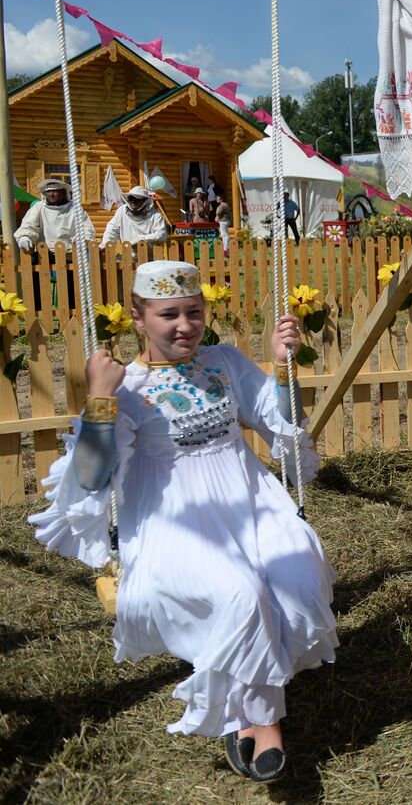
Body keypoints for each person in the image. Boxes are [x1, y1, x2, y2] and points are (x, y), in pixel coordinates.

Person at [29, 260, 338, 783]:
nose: (184, 326)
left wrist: (283, 367)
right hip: (175, 516)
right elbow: (89, 476)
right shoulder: (124, 385)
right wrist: (100, 398)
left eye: (193, 312)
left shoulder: (223, 361)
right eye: (168, 314)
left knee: (300, 579)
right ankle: (263, 720)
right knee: (241, 595)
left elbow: (281, 420)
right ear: (137, 317)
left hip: (247, 498)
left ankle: (243, 706)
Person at [15, 178, 96, 250]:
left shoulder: (75, 208)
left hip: (71, 253)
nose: (51, 194)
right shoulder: (38, 207)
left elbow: (86, 227)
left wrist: (83, 237)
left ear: (63, 192)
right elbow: (29, 225)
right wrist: (24, 236)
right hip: (45, 253)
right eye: (49, 191)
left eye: (55, 191)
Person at [100, 186, 169, 248]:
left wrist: (142, 238)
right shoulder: (121, 211)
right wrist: (105, 244)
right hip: (127, 254)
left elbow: (161, 235)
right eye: (131, 198)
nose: (133, 201)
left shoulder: (155, 215)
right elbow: (112, 229)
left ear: (145, 200)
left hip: (149, 257)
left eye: (137, 199)